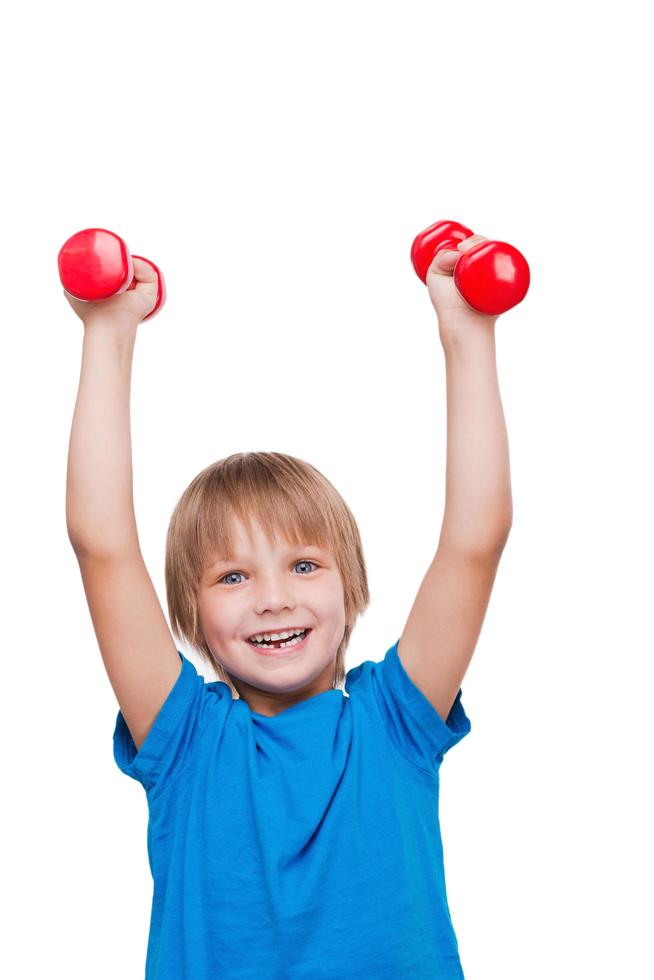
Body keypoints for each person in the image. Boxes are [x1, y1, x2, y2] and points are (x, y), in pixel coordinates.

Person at [65, 234, 512, 979]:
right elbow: (102, 545)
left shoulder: (395, 722)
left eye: (304, 565)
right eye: (233, 577)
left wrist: (468, 333)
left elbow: (476, 540)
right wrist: (107, 334)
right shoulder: (185, 740)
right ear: (191, 613)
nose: (273, 599)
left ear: (350, 585)